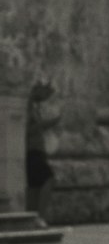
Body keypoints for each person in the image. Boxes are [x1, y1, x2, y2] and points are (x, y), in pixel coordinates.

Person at [25, 81, 60, 222]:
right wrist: (46, 123)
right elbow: (26, 130)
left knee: (35, 187)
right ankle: (40, 217)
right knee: (48, 179)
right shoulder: (27, 107)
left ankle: (32, 218)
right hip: (32, 151)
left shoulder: (34, 108)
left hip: (37, 151)